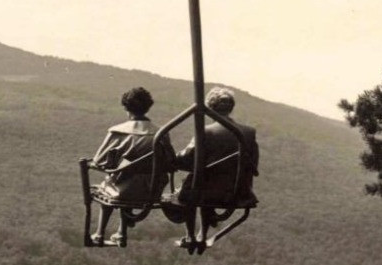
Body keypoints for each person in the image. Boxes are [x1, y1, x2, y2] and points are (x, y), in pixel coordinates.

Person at [167, 87, 260, 253]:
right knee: (207, 183)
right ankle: (203, 232)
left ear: (210, 108)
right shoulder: (248, 132)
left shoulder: (205, 131)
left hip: (205, 191)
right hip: (239, 192)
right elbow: (253, 163)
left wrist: (174, 159)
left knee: (193, 187)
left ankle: (190, 235)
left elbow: (189, 158)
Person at [88, 87, 173, 244]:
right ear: (148, 106)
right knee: (127, 178)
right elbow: (170, 162)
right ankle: (121, 231)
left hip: (125, 189)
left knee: (110, 183)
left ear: (126, 107)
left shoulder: (118, 131)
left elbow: (98, 161)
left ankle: (99, 233)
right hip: (153, 189)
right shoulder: (161, 133)